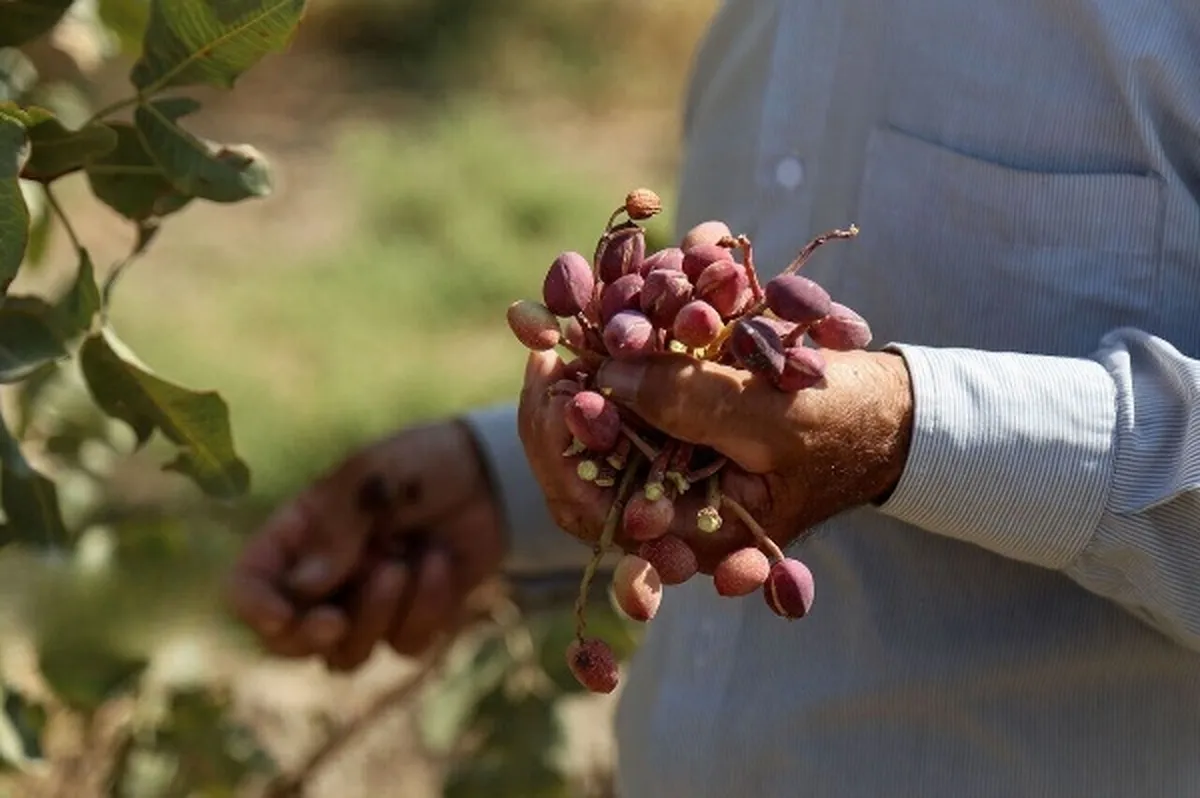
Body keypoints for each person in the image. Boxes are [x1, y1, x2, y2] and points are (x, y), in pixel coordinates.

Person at [225, 0, 1200, 794]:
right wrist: (500, 483)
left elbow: (863, 425)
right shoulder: (768, 27)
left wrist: (906, 436)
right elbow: (764, 408)